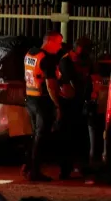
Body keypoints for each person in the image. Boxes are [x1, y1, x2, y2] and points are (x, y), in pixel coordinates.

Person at [24, 32, 64, 182]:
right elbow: (50, 85)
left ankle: (28, 167)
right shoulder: (46, 59)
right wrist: (57, 104)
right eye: (59, 43)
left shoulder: (30, 54)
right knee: (41, 138)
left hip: (30, 99)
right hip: (42, 101)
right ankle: (34, 172)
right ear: (51, 42)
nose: (60, 47)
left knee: (35, 135)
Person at [55, 37, 95, 179]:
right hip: (67, 104)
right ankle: (65, 169)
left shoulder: (85, 60)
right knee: (66, 137)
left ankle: (82, 167)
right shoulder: (66, 61)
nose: (86, 52)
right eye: (84, 49)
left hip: (79, 104)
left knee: (81, 137)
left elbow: (88, 79)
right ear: (76, 47)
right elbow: (74, 81)